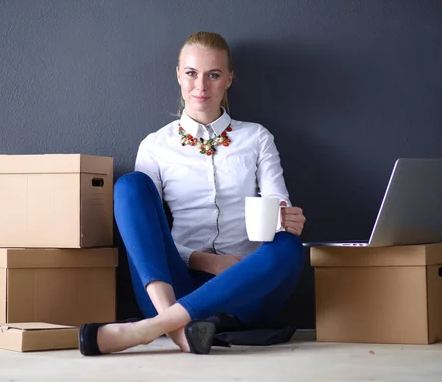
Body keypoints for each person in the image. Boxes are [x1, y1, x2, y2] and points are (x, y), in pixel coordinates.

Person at [79, 31, 306, 356]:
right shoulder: (156, 145)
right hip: (174, 287)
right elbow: (145, 229)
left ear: (229, 79)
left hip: (244, 289)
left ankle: (148, 330)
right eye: (191, 73)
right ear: (178, 75)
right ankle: (171, 321)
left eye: (213, 75)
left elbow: (277, 207)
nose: (201, 86)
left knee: (288, 247)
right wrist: (205, 261)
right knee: (129, 186)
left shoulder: (256, 138)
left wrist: (288, 221)